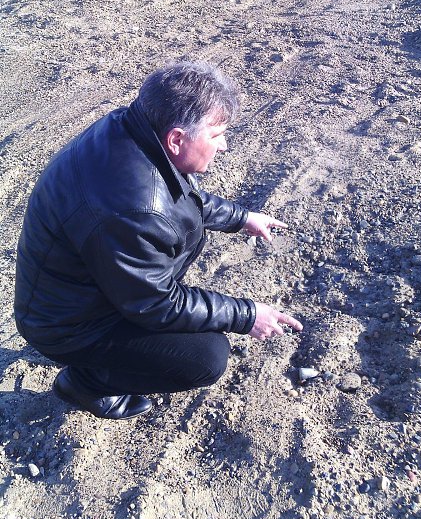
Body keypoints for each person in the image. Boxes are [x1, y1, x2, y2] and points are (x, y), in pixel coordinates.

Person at [14, 61, 303, 420]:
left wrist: (241, 218)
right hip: (66, 325)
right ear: (177, 139)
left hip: (75, 292)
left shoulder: (132, 128)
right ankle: (85, 383)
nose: (224, 145)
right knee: (205, 357)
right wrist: (247, 315)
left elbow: (177, 196)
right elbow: (156, 304)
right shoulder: (134, 209)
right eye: (216, 135)